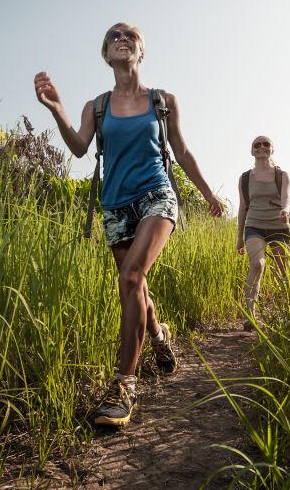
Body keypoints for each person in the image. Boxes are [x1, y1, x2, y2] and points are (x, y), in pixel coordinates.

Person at [33, 22, 224, 427]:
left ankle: (124, 386)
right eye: (114, 36)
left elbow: (183, 152)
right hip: (115, 205)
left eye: (130, 36)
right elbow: (80, 147)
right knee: (137, 285)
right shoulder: (97, 106)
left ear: (141, 52)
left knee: (130, 278)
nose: (122, 38)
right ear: (106, 55)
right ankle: (159, 336)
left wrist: (208, 195)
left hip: (157, 196)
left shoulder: (163, 100)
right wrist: (57, 109)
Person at [236, 136, 290, 331]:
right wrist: (239, 239)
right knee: (257, 264)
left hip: (279, 226)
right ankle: (249, 315)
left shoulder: (282, 175)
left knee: (283, 271)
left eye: (266, 144)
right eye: (256, 145)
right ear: (252, 151)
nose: (261, 147)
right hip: (254, 225)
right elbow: (243, 208)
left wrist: (285, 210)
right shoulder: (244, 178)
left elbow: (286, 197)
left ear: (272, 149)